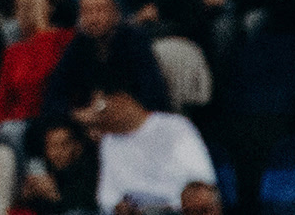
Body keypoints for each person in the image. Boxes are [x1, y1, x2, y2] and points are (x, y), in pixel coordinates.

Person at [74, 79, 215, 215]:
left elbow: (203, 181)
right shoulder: (109, 142)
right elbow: (106, 197)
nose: (95, 130)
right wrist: (118, 206)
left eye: (101, 113)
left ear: (122, 99)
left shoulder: (175, 126)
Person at [42, 0, 170, 119]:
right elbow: (54, 96)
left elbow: (154, 96)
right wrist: (77, 115)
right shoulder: (77, 46)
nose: (93, 19)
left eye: (100, 10)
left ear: (115, 14)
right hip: (90, 120)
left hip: (132, 120)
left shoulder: (134, 43)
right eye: (87, 12)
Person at [0, 0, 75, 147]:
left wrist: (42, 27)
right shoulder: (13, 52)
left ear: (49, 7)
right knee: (7, 132)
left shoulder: (65, 39)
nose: (25, 13)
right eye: (20, 7)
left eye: (31, 7)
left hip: (56, 119)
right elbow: (2, 101)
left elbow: (45, 74)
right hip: (20, 125)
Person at [17, 120, 99, 215]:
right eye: (52, 146)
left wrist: (55, 195)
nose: (58, 152)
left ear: (78, 146)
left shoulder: (90, 171)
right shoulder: (44, 172)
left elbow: (83, 206)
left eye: (64, 145)